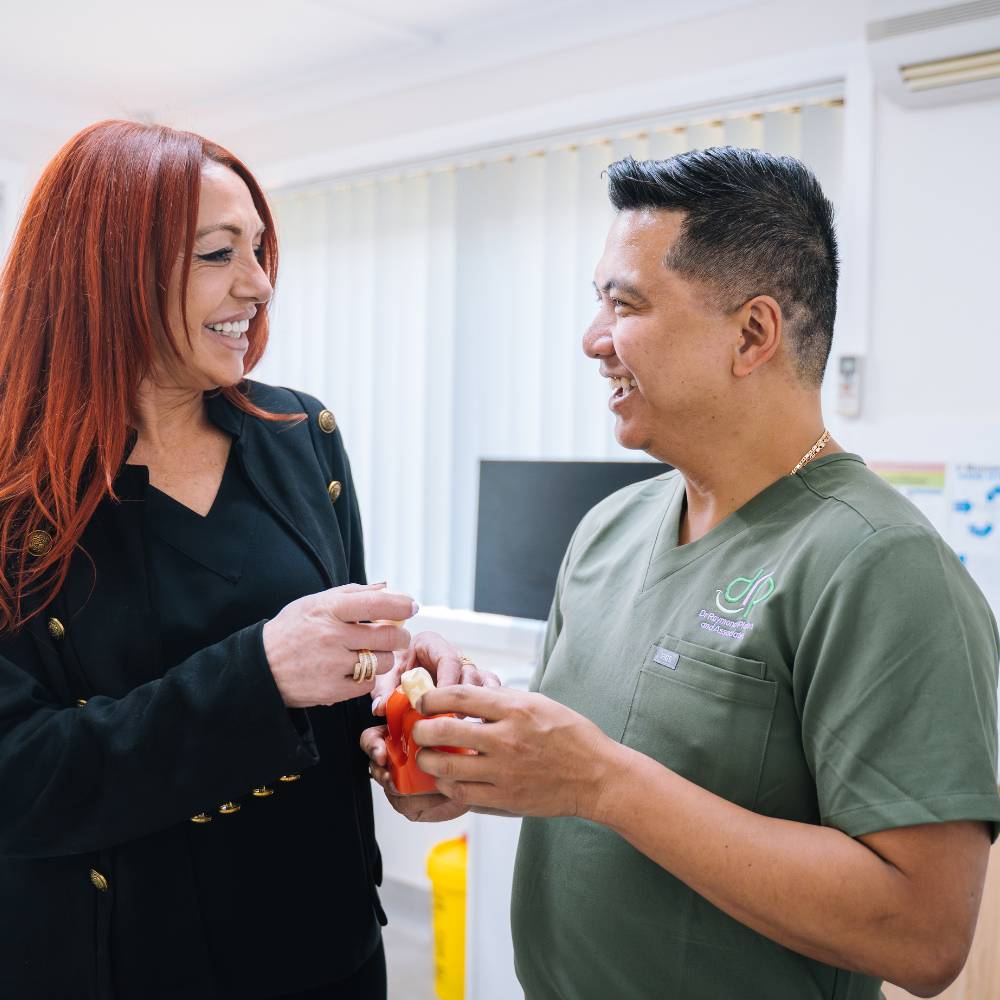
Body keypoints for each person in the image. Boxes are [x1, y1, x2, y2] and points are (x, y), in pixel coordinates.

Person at [366, 148, 1000, 999]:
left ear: (752, 335)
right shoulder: (607, 530)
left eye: (625, 305)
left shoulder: (879, 563)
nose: (594, 341)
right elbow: (596, 775)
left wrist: (600, 781)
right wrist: (474, 763)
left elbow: (923, 935)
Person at [0, 119, 496, 1000]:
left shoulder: (303, 436)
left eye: (260, 249)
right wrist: (258, 673)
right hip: (116, 964)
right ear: (105, 269)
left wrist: (402, 719)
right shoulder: (14, 492)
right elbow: (19, 776)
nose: (260, 284)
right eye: (218, 254)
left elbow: (334, 679)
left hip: (325, 948)